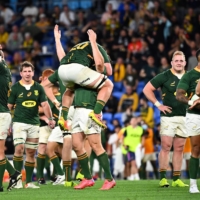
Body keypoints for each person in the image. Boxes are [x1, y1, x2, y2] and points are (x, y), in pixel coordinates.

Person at [53, 24, 113, 130]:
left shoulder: (76, 48)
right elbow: (102, 66)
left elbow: (62, 58)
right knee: (108, 85)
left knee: (70, 90)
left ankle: (63, 117)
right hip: (77, 70)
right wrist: (94, 42)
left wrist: (57, 40)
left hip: (62, 70)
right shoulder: (97, 47)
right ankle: (96, 113)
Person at [143, 51, 188, 187]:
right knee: (166, 146)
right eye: (176, 61)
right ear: (172, 63)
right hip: (168, 116)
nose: (179, 63)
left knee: (179, 148)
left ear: (185, 63)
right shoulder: (165, 76)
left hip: (185, 116)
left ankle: (176, 179)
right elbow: (147, 89)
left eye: (181, 61)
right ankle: (163, 178)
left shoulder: (190, 76)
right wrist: (158, 105)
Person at [7, 61, 55, 189]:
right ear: (21, 73)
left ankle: (28, 182)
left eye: (30, 71)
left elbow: (45, 104)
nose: (27, 74)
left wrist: (50, 118)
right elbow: (9, 106)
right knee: (19, 148)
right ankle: (17, 181)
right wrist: (7, 124)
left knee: (31, 152)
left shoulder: (38, 87)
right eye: (25, 71)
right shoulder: (16, 88)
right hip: (19, 123)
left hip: (34, 123)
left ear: (33, 73)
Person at [42, 69, 77, 187]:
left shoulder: (69, 82)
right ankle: (63, 175)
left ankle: (76, 176)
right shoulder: (66, 78)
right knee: (51, 148)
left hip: (71, 116)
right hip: (63, 117)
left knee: (77, 147)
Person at [176, 48, 200, 193]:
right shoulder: (190, 75)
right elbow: (179, 95)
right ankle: (193, 184)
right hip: (195, 115)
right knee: (196, 149)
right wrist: (192, 103)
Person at [0, 45, 22, 192]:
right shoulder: (4, 69)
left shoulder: (2, 69)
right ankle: (14, 174)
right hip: (3, 114)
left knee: (0, 152)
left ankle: (3, 183)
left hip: (1, 114)